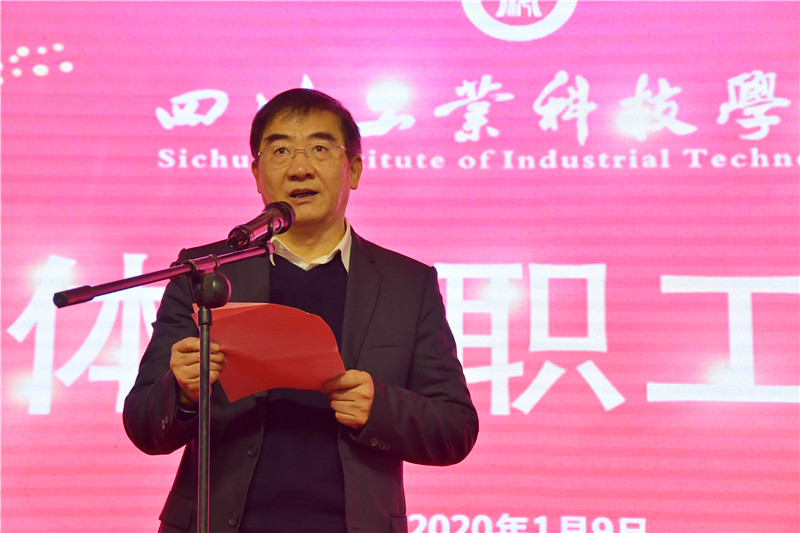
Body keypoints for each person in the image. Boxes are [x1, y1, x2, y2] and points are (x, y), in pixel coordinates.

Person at [123, 88, 478, 533]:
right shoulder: (205, 273)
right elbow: (143, 426)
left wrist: (380, 408)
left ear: (354, 169)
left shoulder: (406, 285)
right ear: (257, 173)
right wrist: (181, 393)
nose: (300, 167)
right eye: (280, 151)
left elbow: (455, 429)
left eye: (320, 149)